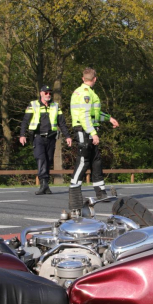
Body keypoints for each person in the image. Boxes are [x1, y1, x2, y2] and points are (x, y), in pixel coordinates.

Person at [68, 68, 119, 210]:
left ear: (83, 78)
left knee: (96, 160)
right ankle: (74, 191)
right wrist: (93, 133)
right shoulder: (86, 94)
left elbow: (94, 114)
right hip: (83, 129)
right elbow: (85, 116)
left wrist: (109, 119)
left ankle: (100, 192)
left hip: (88, 128)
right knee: (83, 160)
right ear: (95, 79)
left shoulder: (87, 92)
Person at [20, 85, 72, 195]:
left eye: (49, 93)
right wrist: (22, 135)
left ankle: (46, 185)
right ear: (41, 93)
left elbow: (61, 123)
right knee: (41, 159)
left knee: (48, 161)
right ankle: (43, 184)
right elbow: (25, 121)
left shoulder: (55, 106)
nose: (48, 95)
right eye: (46, 93)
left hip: (51, 138)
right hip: (38, 137)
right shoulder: (33, 104)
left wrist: (67, 136)